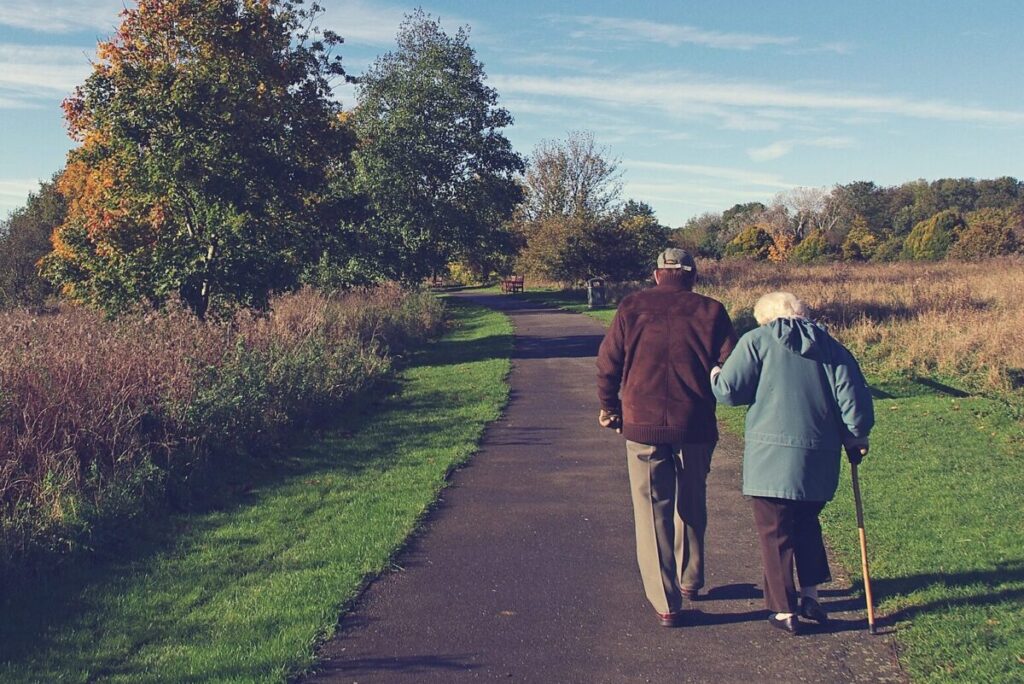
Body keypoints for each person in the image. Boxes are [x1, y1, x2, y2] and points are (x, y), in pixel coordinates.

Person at [710, 291, 874, 635]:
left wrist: (714, 373)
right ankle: (811, 595)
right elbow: (854, 404)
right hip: (819, 457)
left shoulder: (757, 341)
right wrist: (857, 437)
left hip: (770, 458)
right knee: (806, 523)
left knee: (775, 532)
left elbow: (729, 391)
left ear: (765, 318)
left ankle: (784, 610)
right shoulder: (832, 347)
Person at [596, 248, 738, 627]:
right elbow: (731, 365)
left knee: (651, 511)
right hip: (695, 423)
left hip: (642, 423)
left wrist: (609, 407)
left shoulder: (631, 306)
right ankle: (691, 578)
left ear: (657, 274)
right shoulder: (712, 310)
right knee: (692, 500)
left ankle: (666, 602)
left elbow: (608, 362)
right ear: (692, 275)